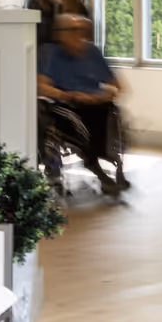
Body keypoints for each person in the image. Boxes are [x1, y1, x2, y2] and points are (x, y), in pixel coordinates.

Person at [38, 13, 124, 191]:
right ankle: (92, 164)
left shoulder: (92, 52)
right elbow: (42, 87)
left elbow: (117, 85)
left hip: (96, 103)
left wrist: (105, 94)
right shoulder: (51, 53)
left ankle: (109, 161)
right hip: (68, 104)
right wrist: (69, 95)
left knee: (111, 113)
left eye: (82, 31)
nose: (79, 35)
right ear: (60, 33)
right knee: (66, 120)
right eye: (74, 30)